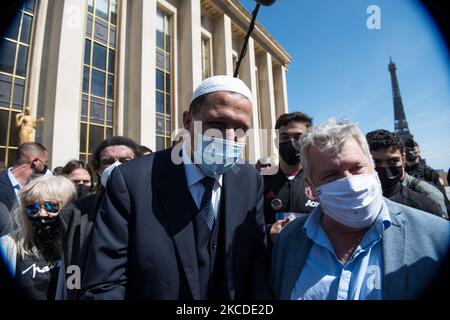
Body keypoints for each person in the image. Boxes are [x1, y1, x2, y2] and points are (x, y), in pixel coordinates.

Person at [80, 75, 271, 300]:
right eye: (217, 124)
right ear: (188, 121)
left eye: (240, 130)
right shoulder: (132, 180)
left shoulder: (249, 180)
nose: (229, 138)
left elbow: (257, 267)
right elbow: (106, 282)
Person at [271, 119, 450, 300]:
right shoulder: (289, 240)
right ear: (311, 187)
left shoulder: (439, 237)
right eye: (331, 174)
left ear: (372, 166)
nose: (350, 183)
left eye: (357, 168)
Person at [57, 136, 139, 300]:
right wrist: (73, 294)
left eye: (125, 160)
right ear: (98, 170)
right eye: (107, 161)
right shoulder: (75, 213)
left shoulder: (153, 208)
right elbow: (72, 266)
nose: (117, 166)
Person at [0, 175, 76, 300]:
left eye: (51, 206)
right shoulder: (9, 246)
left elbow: (75, 288)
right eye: (32, 208)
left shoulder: (77, 247)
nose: (41, 213)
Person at [263, 112, 319, 245]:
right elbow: (248, 226)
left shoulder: (320, 179)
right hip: (271, 262)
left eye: (298, 136)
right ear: (277, 141)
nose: (291, 142)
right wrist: (269, 231)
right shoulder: (260, 180)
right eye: (285, 137)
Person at [366, 130, 446, 219]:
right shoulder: (354, 203)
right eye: (375, 162)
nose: (385, 167)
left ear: (403, 159)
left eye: (393, 161)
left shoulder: (426, 206)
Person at [0, 143, 49, 211]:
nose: (45, 166)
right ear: (35, 161)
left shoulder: (36, 188)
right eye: (45, 162)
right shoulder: (2, 185)